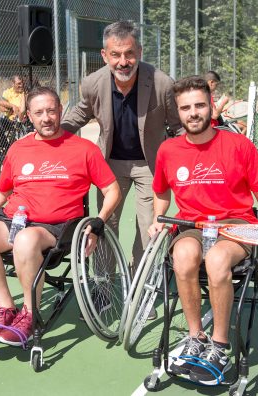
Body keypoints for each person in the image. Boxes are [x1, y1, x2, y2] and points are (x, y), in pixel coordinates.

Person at [149, 76, 258, 385]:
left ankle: (220, 345)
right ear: (178, 111)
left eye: (199, 105)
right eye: (185, 108)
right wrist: (157, 220)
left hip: (236, 225)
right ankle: (196, 336)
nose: (193, 113)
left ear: (211, 106)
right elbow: (161, 193)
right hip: (193, 224)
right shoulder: (168, 151)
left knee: (215, 260)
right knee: (183, 255)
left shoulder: (238, 145)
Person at [0, 86, 121, 347]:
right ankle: (5, 309)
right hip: (15, 220)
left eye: (51, 111)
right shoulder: (18, 148)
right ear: (29, 116)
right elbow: (1, 192)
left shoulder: (84, 149)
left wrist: (98, 223)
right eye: (39, 112)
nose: (46, 118)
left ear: (60, 111)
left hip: (58, 227)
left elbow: (112, 190)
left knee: (25, 240)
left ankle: (29, 313)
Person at [61, 20, 180, 272]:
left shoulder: (161, 83)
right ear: (105, 55)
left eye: (129, 53)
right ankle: (103, 282)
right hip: (110, 164)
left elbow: (177, 126)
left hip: (150, 164)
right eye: (115, 54)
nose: (122, 62)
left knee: (149, 225)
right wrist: (47, 134)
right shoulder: (93, 83)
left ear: (139, 52)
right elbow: (79, 115)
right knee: (105, 223)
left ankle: (140, 283)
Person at [0, 75, 27, 148]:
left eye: (22, 83)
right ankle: (4, 145)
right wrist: (13, 107)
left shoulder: (25, 93)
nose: (21, 85)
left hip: (22, 120)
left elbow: (23, 110)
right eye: (19, 83)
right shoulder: (8, 92)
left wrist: (16, 110)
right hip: (9, 120)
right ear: (13, 83)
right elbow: (1, 105)